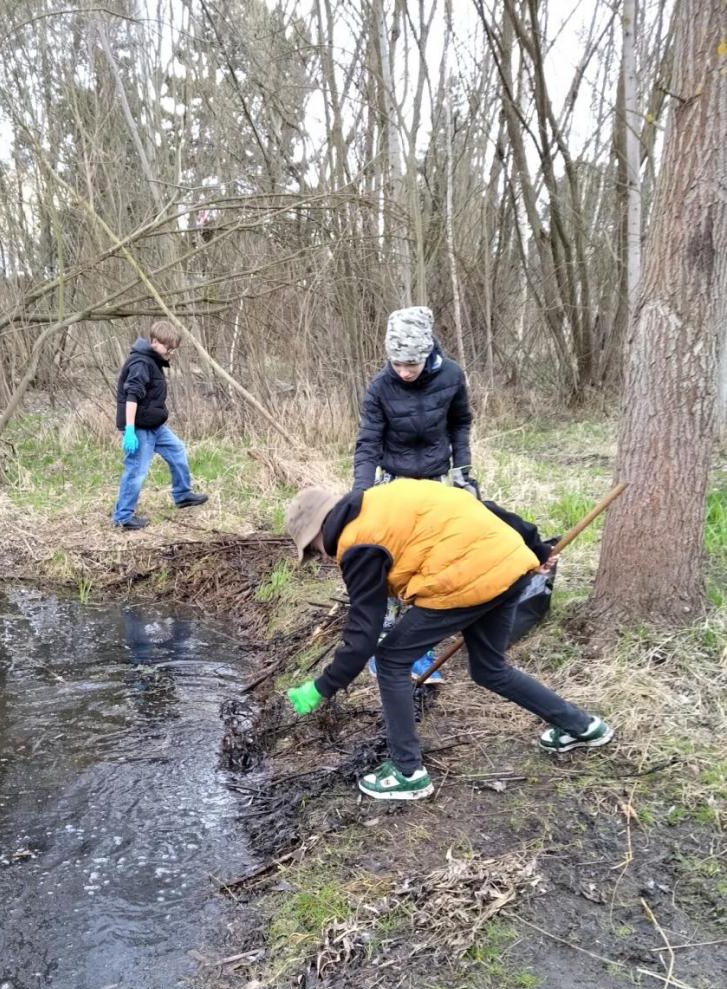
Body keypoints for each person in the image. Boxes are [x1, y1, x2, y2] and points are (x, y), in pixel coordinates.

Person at [282, 481, 614, 802]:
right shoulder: (386, 497)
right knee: (489, 669)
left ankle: (407, 772)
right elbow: (474, 506)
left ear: (319, 533)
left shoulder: (358, 545)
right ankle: (582, 727)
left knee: (390, 659)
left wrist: (322, 687)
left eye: (314, 551)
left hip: (465, 580)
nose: (323, 558)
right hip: (509, 561)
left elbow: (363, 633)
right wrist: (533, 545)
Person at [354, 305, 477, 682]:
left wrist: (464, 473)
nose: (404, 372)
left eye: (411, 364)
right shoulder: (380, 387)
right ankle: (385, 644)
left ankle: (420, 650)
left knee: (432, 565)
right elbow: (368, 443)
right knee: (390, 565)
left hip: (437, 482)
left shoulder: (452, 376)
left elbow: (460, 424)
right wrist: (359, 493)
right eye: (397, 364)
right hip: (395, 482)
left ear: (427, 354)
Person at [112, 319, 208, 529]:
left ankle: (182, 495)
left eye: (173, 349)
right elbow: (131, 396)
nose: (171, 352)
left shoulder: (152, 361)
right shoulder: (140, 363)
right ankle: (123, 517)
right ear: (154, 341)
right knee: (136, 471)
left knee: (177, 451)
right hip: (139, 428)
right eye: (168, 347)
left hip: (155, 426)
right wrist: (129, 430)